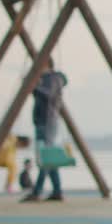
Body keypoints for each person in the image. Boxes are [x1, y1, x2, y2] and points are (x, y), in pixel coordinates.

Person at [22, 67, 68, 202]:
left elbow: (48, 95)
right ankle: (57, 190)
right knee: (48, 158)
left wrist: (34, 87)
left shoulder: (53, 78)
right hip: (43, 122)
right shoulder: (46, 79)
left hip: (47, 122)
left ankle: (37, 191)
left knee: (45, 157)